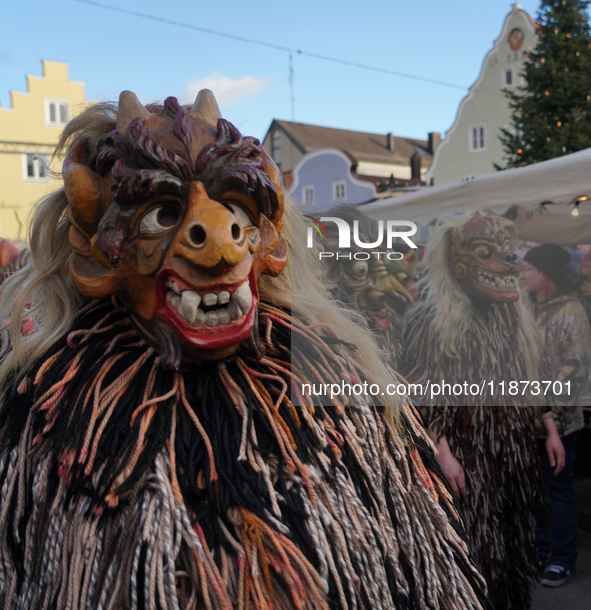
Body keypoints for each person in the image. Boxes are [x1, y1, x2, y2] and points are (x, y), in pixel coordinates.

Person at [0, 91, 490, 609]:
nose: (219, 240)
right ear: (99, 250)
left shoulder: (334, 379)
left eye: (236, 208)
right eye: (161, 213)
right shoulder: (53, 411)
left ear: (271, 240)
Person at [400, 212, 561, 610]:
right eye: (487, 253)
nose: (507, 262)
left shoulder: (512, 316)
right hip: (467, 459)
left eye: (506, 253)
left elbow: (531, 376)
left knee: (516, 546)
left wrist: (550, 427)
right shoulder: (429, 320)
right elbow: (422, 390)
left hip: (514, 455)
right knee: (477, 549)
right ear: (455, 262)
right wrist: (442, 451)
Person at [521, 243, 591, 587]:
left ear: (544, 275)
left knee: (559, 489)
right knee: (534, 489)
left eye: (528, 270)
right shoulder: (527, 308)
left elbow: (575, 370)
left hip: (560, 425)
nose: (522, 275)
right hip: (529, 421)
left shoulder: (571, 312)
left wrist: (550, 413)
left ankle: (563, 558)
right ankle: (537, 547)